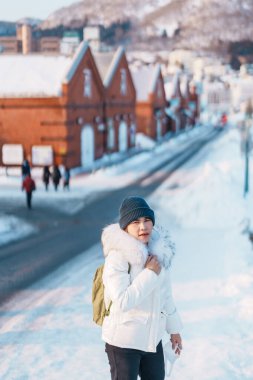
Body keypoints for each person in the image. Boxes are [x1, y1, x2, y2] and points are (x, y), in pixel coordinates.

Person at [101, 196, 183, 380]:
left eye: (147, 220)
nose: (143, 226)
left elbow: (165, 295)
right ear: (125, 227)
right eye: (136, 222)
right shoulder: (117, 257)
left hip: (152, 341)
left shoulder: (158, 252)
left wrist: (174, 329)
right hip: (123, 343)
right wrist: (150, 274)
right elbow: (122, 301)